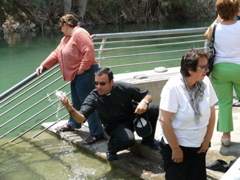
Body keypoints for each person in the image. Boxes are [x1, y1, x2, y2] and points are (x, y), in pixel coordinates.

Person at [60, 67, 159, 161]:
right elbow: (80, 119)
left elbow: (147, 95)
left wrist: (144, 102)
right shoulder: (93, 98)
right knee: (128, 140)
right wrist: (69, 107)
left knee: (152, 108)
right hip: (115, 125)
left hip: (132, 115)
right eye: (96, 83)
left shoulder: (123, 87)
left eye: (102, 83)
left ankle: (148, 140)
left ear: (111, 82)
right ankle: (111, 148)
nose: (99, 87)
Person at [35, 14, 103, 145]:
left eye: (60, 27)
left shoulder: (80, 33)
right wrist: (43, 65)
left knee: (88, 103)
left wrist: (82, 69)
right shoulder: (66, 38)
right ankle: (73, 124)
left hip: (86, 73)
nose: (60, 29)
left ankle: (96, 132)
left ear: (65, 25)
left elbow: (89, 51)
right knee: (77, 101)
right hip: (76, 74)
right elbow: (56, 53)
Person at [158, 50, 218, 180]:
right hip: (177, 147)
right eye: (202, 67)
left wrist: (207, 141)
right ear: (190, 70)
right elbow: (164, 120)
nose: (207, 70)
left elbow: (212, 115)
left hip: (199, 146)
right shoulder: (173, 87)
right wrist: (176, 149)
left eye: (207, 66)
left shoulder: (205, 82)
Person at [204, 0, 240, 146]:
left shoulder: (215, 26)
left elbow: (206, 35)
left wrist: (217, 19)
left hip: (219, 68)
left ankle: (226, 137)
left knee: (225, 103)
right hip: (238, 67)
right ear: (237, 9)